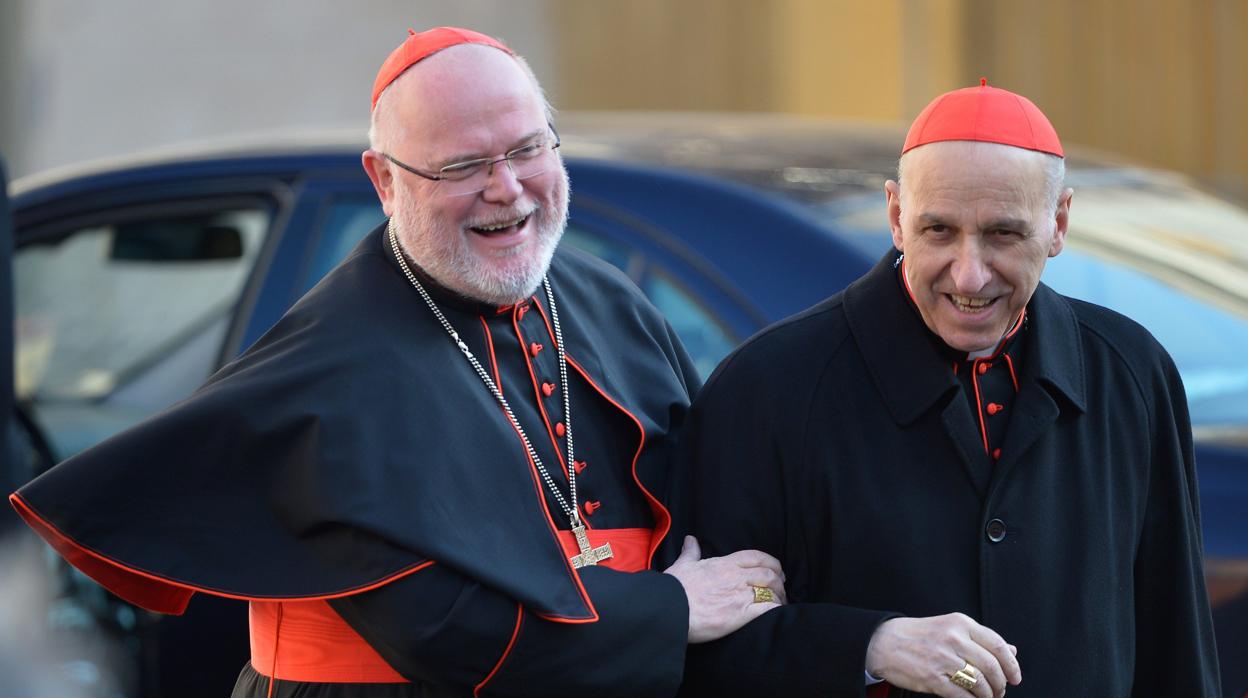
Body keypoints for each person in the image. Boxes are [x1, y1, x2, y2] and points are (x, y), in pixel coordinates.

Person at [9, 27, 786, 697]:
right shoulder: (336, 366)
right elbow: (446, 633)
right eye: (461, 167)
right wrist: (671, 611)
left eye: (527, 148)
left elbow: (705, 498)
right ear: (384, 181)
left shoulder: (606, 298)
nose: (506, 189)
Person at [679, 81, 1221, 697]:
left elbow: (1175, 643)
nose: (970, 273)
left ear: (1059, 223)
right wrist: (867, 646)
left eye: (1003, 235)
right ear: (896, 217)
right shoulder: (767, 388)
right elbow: (706, 662)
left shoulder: (1131, 372)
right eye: (938, 230)